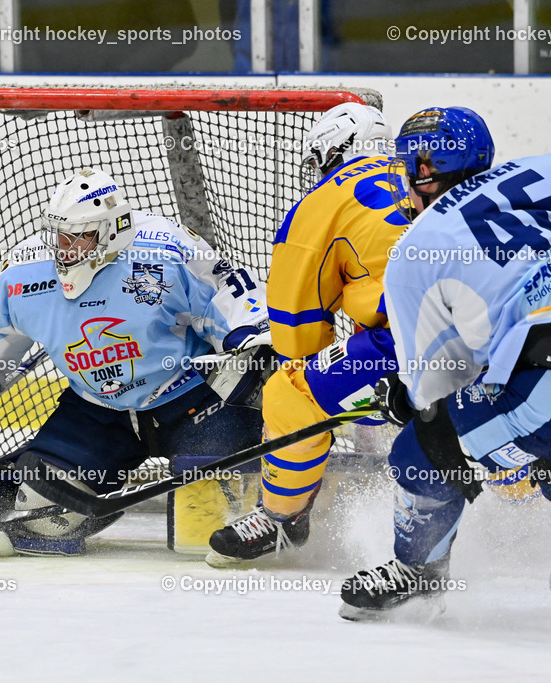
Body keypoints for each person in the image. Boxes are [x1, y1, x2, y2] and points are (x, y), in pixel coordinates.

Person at [340, 106, 551, 619]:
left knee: (422, 450)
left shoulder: (416, 249)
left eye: (408, 167)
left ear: (424, 172)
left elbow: (434, 387)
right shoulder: (548, 169)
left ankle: (418, 575)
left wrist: (407, 401)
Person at [0, 167, 270, 556]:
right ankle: (8, 479)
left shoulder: (165, 248)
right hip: (97, 411)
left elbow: (228, 291)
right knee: (43, 517)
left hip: (193, 402)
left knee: (209, 529)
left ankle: (277, 503)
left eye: (80, 236)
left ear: (114, 229)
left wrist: (254, 341)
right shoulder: (24, 271)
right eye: (59, 235)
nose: (65, 249)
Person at [205, 102, 411, 566]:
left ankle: (281, 518)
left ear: (331, 152)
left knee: (290, 393)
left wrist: (314, 376)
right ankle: (524, 506)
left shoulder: (324, 201)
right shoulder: (428, 176)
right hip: (500, 333)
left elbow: (296, 326)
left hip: (407, 345)